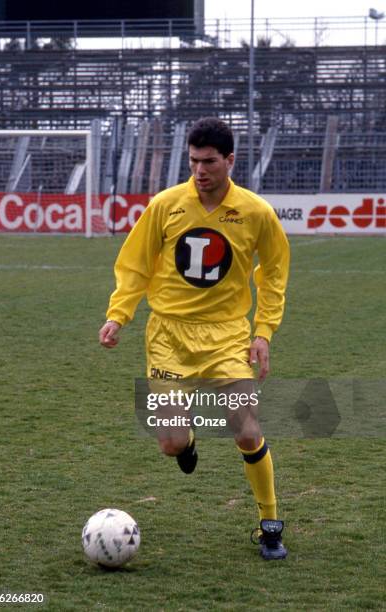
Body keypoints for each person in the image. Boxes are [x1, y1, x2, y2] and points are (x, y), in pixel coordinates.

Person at [99, 117, 290, 560]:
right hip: (167, 336)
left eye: (208, 162)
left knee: (246, 429)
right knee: (170, 443)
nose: (200, 170)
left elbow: (275, 274)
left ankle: (270, 523)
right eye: (193, 161)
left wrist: (263, 332)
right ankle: (187, 442)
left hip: (227, 336)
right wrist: (118, 315)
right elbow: (135, 265)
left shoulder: (256, 212)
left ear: (230, 161)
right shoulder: (166, 205)